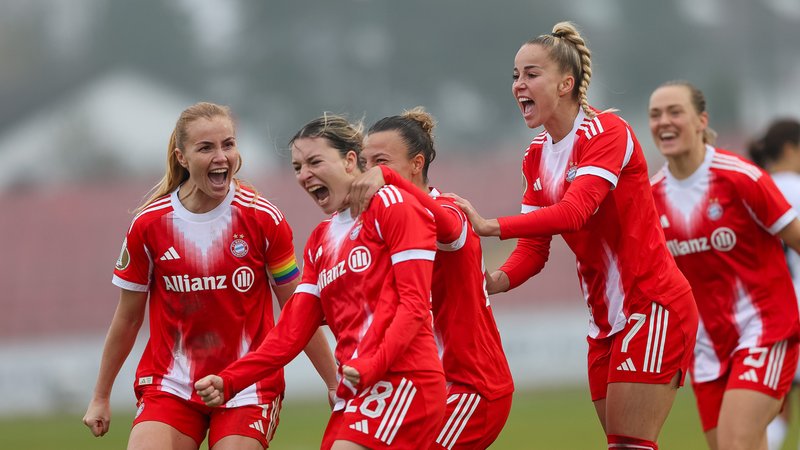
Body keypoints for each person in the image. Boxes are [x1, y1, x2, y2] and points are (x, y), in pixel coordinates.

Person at [448, 22, 699, 449]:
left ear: (566, 83)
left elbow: (574, 213)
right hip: (604, 323)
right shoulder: (535, 156)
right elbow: (533, 250)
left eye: (531, 74)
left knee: (630, 445)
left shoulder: (606, 134)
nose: (518, 85)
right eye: (515, 75)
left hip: (652, 304)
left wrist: (491, 226)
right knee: (623, 444)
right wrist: (493, 281)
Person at [82, 102, 337, 450]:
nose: (221, 157)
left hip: (248, 386)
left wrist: (334, 382)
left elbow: (298, 308)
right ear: (182, 157)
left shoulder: (263, 218)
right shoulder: (149, 225)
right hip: (170, 385)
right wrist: (101, 396)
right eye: (206, 148)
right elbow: (127, 319)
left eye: (228, 144)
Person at [194, 114, 447, 450]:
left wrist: (373, 365)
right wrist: (230, 381)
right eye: (298, 167)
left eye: (314, 161)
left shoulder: (393, 206)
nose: (304, 175)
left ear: (350, 160)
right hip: (357, 391)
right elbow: (291, 331)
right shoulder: (320, 239)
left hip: (404, 380)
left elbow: (414, 307)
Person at [347, 107, 514, 449]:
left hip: (472, 387)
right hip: (427, 384)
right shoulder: (387, 223)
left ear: (417, 164)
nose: (371, 173)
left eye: (382, 161)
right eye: (366, 163)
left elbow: (450, 229)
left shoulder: (448, 209)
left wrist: (389, 180)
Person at [649, 82, 800, 450]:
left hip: (765, 331)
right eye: (655, 115)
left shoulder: (740, 177)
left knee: (738, 444)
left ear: (701, 120)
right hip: (708, 350)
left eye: (675, 112)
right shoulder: (651, 198)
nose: (664, 122)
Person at [747, 119, 800, 450]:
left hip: (768, 309)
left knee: (777, 405)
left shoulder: (755, 185)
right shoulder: (795, 187)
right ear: (791, 149)